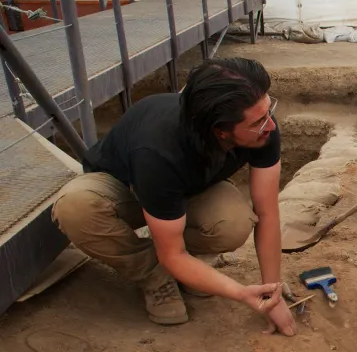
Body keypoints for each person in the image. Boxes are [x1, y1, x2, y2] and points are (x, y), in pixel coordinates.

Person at [52, 58, 296, 336]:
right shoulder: (158, 151)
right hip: (127, 189)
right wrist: (241, 293)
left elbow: (267, 213)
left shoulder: (260, 126)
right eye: (259, 120)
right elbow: (173, 253)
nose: (271, 125)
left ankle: (193, 272)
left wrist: (271, 290)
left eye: (268, 110)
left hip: (187, 188)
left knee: (233, 223)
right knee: (76, 209)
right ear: (220, 130)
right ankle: (154, 277)